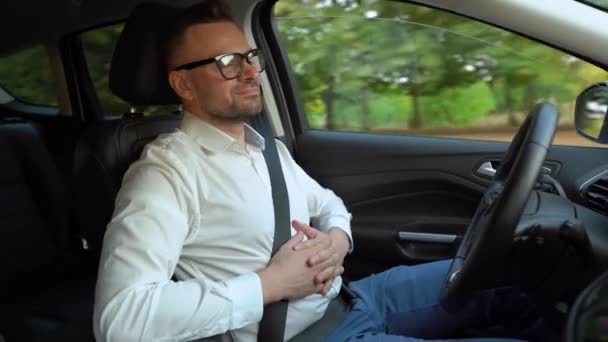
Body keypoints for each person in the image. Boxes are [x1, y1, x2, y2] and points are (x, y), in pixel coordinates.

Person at [93, 1, 555, 341]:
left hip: (354, 298)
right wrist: (270, 284)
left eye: (249, 57)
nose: (250, 72)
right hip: (303, 336)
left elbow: (328, 204)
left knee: (514, 276)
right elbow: (122, 319)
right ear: (182, 84)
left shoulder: (265, 147)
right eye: (226, 64)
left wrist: (338, 240)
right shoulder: (165, 173)